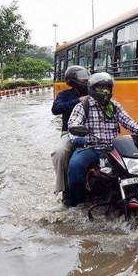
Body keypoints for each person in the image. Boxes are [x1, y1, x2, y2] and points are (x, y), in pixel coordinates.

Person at [65, 72, 138, 206]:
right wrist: (77, 137)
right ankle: (76, 203)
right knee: (75, 167)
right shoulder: (82, 106)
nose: (105, 91)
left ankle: (133, 193)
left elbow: (128, 122)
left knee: (133, 168)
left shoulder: (114, 106)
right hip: (90, 148)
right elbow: (73, 124)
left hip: (112, 149)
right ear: (92, 89)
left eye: (107, 88)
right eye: (101, 88)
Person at [51, 65, 89, 205]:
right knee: (60, 152)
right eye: (81, 75)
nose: (85, 78)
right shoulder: (64, 95)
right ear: (72, 80)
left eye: (85, 74)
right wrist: (78, 101)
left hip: (94, 132)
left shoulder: (94, 91)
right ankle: (65, 190)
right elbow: (55, 109)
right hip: (70, 133)